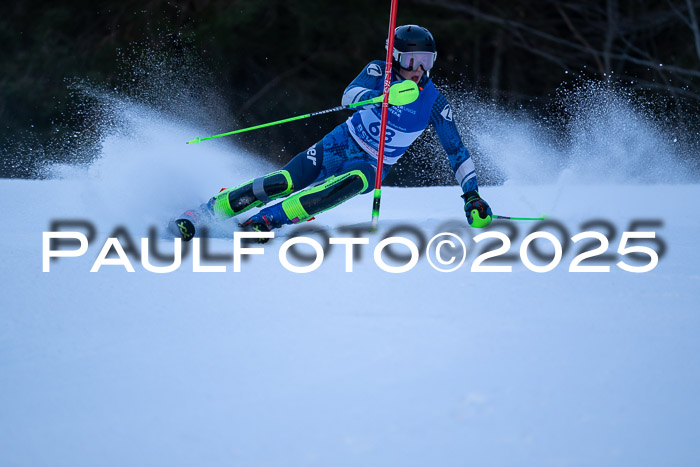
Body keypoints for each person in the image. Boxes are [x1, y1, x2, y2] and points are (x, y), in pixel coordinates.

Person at [171, 24, 492, 242]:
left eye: (426, 61)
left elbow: (457, 151)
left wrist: (472, 195)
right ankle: (206, 212)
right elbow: (348, 97)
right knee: (283, 182)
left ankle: (267, 221)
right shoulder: (379, 72)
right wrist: (382, 96)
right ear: (395, 57)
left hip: (372, 163)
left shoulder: (434, 101)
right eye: (411, 60)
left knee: (348, 184)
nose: (419, 69)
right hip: (339, 143)